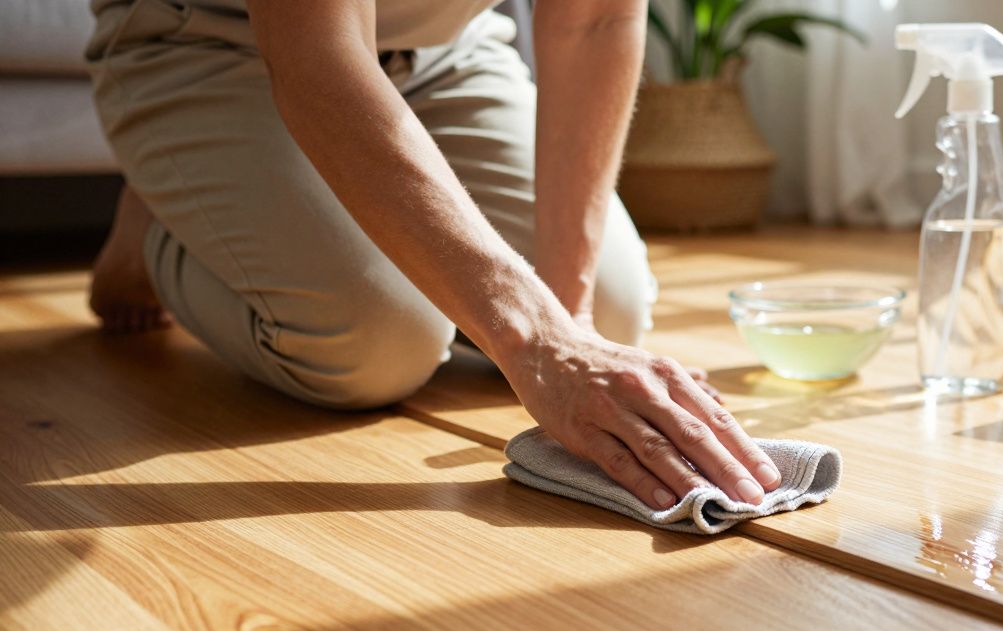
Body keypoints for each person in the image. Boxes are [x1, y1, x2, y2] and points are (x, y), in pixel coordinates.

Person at [84, 0, 781, 510]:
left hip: (443, 55)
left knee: (613, 312)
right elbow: (316, 52)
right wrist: (538, 342)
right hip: (215, 39)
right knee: (380, 344)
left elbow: (594, 18)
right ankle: (163, 225)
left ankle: (240, 207)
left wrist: (566, 326)